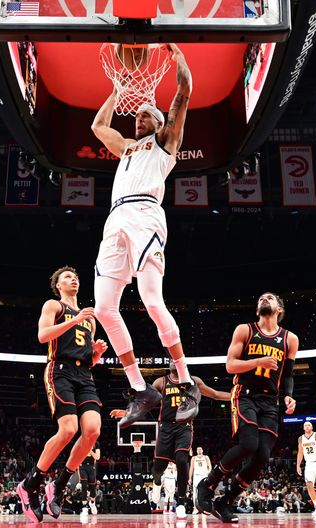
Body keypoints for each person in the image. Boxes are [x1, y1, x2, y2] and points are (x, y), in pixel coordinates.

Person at [90, 43, 199, 428]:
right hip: (115, 219)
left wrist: (178, 59)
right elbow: (98, 127)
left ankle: (186, 383)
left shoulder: (165, 142)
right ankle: (141, 389)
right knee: (104, 308)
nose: (138, 119)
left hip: (145, 215)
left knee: (152, 300)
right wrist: (117, 92)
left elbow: (183, 93)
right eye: (135, 116)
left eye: (144, 115)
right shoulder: (128, 149)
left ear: (158, 121)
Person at [16, 266, 109, 523]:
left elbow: (87, 359)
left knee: (92, 431)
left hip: (84, 375)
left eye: (76, 277)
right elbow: (43, 335)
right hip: (59, 370)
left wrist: (97, 353)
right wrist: (75, 320)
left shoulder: (90, 319)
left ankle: (58, 484)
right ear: (58, 285)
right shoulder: (54, 306)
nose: (74, 279)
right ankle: (30, 483)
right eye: (68, 277)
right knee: (68, 429)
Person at [196, 293, 298, 523]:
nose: (265, 299)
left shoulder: (290, 339)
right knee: (249, 443)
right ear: (256, 310)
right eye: (261, 298)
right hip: (245, 395)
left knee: (262, 456)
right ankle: (207, 484)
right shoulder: (245, 330)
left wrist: (289, 396)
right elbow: (230, 365)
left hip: (271, 401)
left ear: (279, 309)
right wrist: (257, 361)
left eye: (270, 297)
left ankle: (226, 502)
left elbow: (288, 374)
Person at [111, 362, 230, 519]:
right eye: (171, 360)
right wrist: (127, 412)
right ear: (168, 365)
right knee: (159, 467)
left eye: (177, 359)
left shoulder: (193, 381)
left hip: (184, 427)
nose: (174, 362)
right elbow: (145, 402)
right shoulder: (161, 382)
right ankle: (157, 480)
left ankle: (180, 502)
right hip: (165, 427)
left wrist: (236, 396)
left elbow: (214, 394)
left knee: (181, 459)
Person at [189, 447, 212, 515]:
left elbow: (210, 466)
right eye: (198, 449)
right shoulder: (193, 458)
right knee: (195, 493)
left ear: (202, 450)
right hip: (196, 476)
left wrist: (208, 473)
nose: (199, 450)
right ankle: (195, 508)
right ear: (196, 451)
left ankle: (204, 508)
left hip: (204, 476)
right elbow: (191, 468)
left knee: (204, 493)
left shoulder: (206, 457)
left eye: (200, 449)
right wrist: (190, 478)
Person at [79, 442, 100, 515]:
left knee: (92, 487)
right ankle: (84, 507)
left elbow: (97, 457)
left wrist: (90, 451)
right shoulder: (81, 441)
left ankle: (92, 503)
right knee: (84, 485)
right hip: (82, 466)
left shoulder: (96, 443)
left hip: (91, 466)